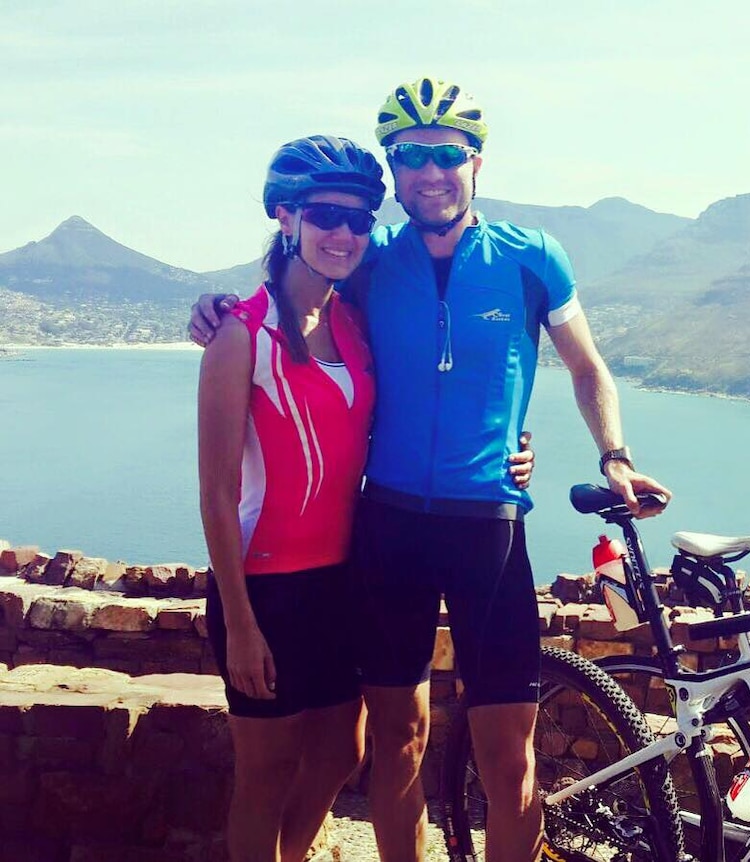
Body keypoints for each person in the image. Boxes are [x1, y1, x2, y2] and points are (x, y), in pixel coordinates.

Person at [190, 76, 670, 862]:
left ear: (477, 161)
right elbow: (297, 273)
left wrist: (613, 455)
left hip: (491, 526)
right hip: (389, 529)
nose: (429, 171)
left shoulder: (531, 257)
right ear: (395, 169)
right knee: (397, 741)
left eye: (446, 154)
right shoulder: (373, 256)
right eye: (409, 156)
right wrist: (213, 307)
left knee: (510, 760)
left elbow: (587, 369)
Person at [198, 134, 385, 862]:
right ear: (287, 218)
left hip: (340, 582)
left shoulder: (354, 320)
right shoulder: (239, 333)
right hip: (264, 590)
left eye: (361, 218)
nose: (345, 233)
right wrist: (240, 624)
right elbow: (215, 495)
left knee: (343, 753)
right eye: (327, 215)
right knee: (265, 772)